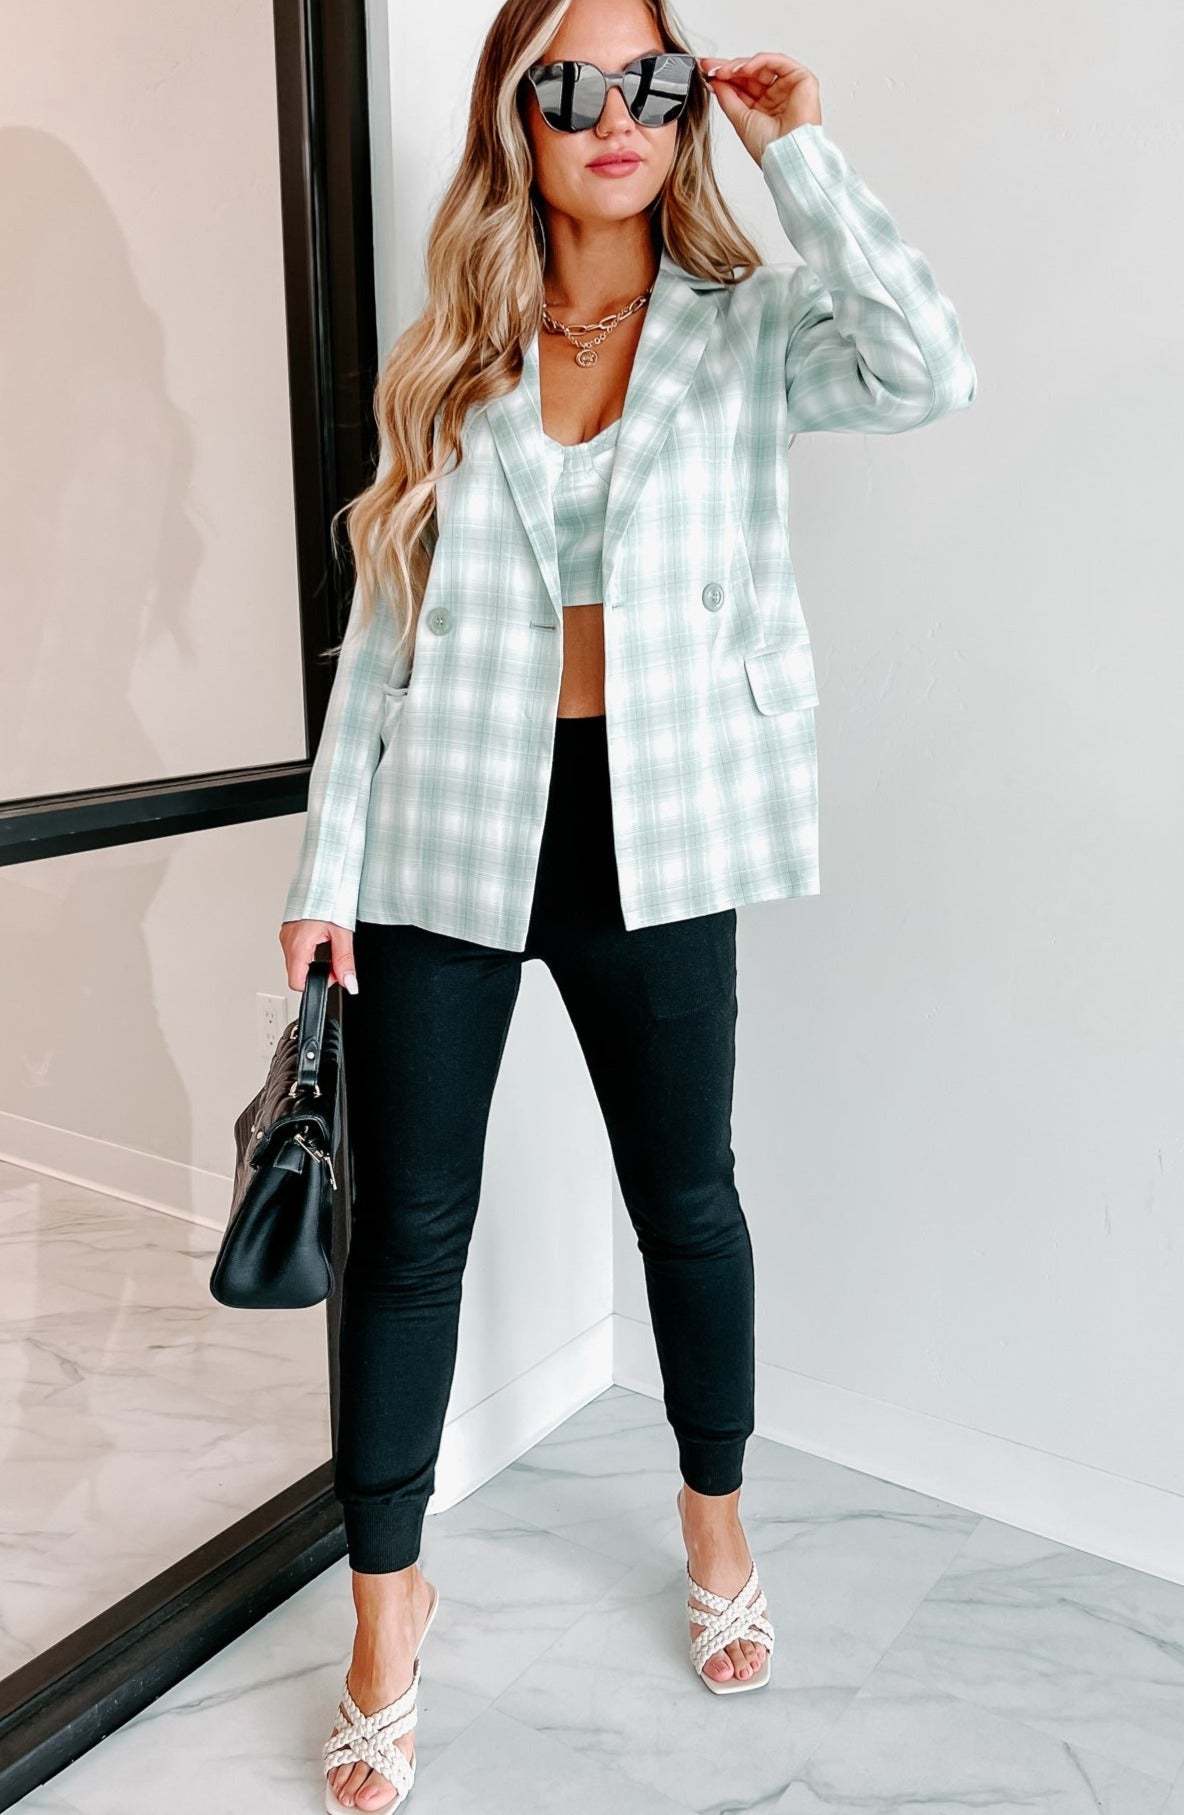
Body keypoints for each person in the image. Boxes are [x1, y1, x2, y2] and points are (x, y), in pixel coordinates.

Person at [280, 2, 977, 1807]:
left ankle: (717, 1523)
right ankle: (385, 1612)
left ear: (687, 109)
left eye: (654, 83)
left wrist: (796, 144)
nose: (619, 114)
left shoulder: (746, 333)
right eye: (574, 85)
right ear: (519, 115)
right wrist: (323, 868)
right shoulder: (454, 345)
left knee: (688, 1202)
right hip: (446, 828)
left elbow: (928, 369)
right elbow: (382, 631)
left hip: (657, 827)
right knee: (406, 1236)